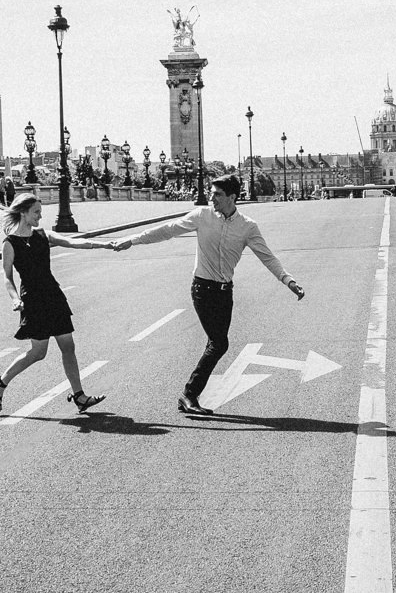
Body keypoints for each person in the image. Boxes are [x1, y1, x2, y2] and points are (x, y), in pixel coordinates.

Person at [114, 174, 304, 415]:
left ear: (232, 197)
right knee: (218, 343)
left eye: (217, 194)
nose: (211, 198)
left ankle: (189, 395)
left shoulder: (247, 227)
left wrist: (288, 280)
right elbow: (168, 230)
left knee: (218, 344)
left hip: (225, 292)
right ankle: (188, 395)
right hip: (202, 289)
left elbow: (267, 256)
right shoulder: (202, 216)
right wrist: (132, 240)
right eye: (211, 193)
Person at [0, 193, 118, 416]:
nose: (40, 216)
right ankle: (0, 383)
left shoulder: (43, 235)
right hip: (33, 300)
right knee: (38, 353)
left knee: (68, 346)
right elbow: (7, 277)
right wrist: (15, 299)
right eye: (36, 212)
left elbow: (74, 242)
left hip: (53, 295)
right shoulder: (9, 244)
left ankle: (79, 396)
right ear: (23, 213)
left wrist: (104, 244)